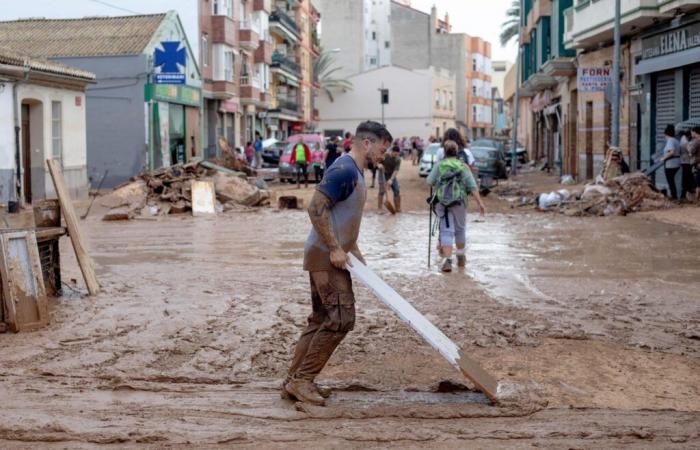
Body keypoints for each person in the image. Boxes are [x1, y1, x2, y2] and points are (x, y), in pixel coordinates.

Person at [283, 121, 392, 406]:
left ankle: (294, 381)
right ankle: (302, 381)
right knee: (341, 319)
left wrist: (356, 256)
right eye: (382, 149)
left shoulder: (354, 172)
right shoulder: (344, 170)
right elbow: (315, 207)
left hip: (328, 254)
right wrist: (334, 248)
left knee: (320, 319)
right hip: (326, 256)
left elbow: (342, 222)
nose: (383, 156)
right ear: (366, 143)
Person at [427, 140, 486, 273]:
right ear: (457, 151)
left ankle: (447, 260)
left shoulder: (439, 165)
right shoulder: (463, 166)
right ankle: (460, 256)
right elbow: (472, 186)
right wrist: (480, 203)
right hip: (460, 202)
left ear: (444, 152)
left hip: (442, 203)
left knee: (446, 230)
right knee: (460, 229)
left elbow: (429, 181)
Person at [658, 124, 681, 200]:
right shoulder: (676, 140)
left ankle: (674, 196)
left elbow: (672, 152)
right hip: (677, 163)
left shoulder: (670, 140)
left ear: (665, 134)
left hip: (671, 164)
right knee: (672, 181)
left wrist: (663, 158)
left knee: (670, 181)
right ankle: (674, 196)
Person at [378, 143, 402, 212]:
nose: (396, 155)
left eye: (397, 154)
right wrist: (379, 165)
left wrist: (391, 180)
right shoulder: (385, 155)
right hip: (382, 174)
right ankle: (380, 208)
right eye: (395, 154)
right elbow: (377, 161)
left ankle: (398, 208)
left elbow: (396, 170)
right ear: (392, 151)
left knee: (396, 190)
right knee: (382, 191)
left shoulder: (398, 159)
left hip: (391, 175)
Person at [680, 129, 696, 201]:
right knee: (688, 178)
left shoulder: (682, 138)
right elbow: (690, 151)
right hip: (687, 162)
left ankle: (684, 195)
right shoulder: (686, 142)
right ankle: (685, 195)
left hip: (684, 162)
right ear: (689, 135)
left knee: (686, 178)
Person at [688, 126, 700, 204]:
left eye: (692, 132)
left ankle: (698, 201)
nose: (691, 134)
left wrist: (688, 147)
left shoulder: (696, 141)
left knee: (698, 183)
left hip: (697, 164)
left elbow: (691, 152)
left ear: (695, 132)